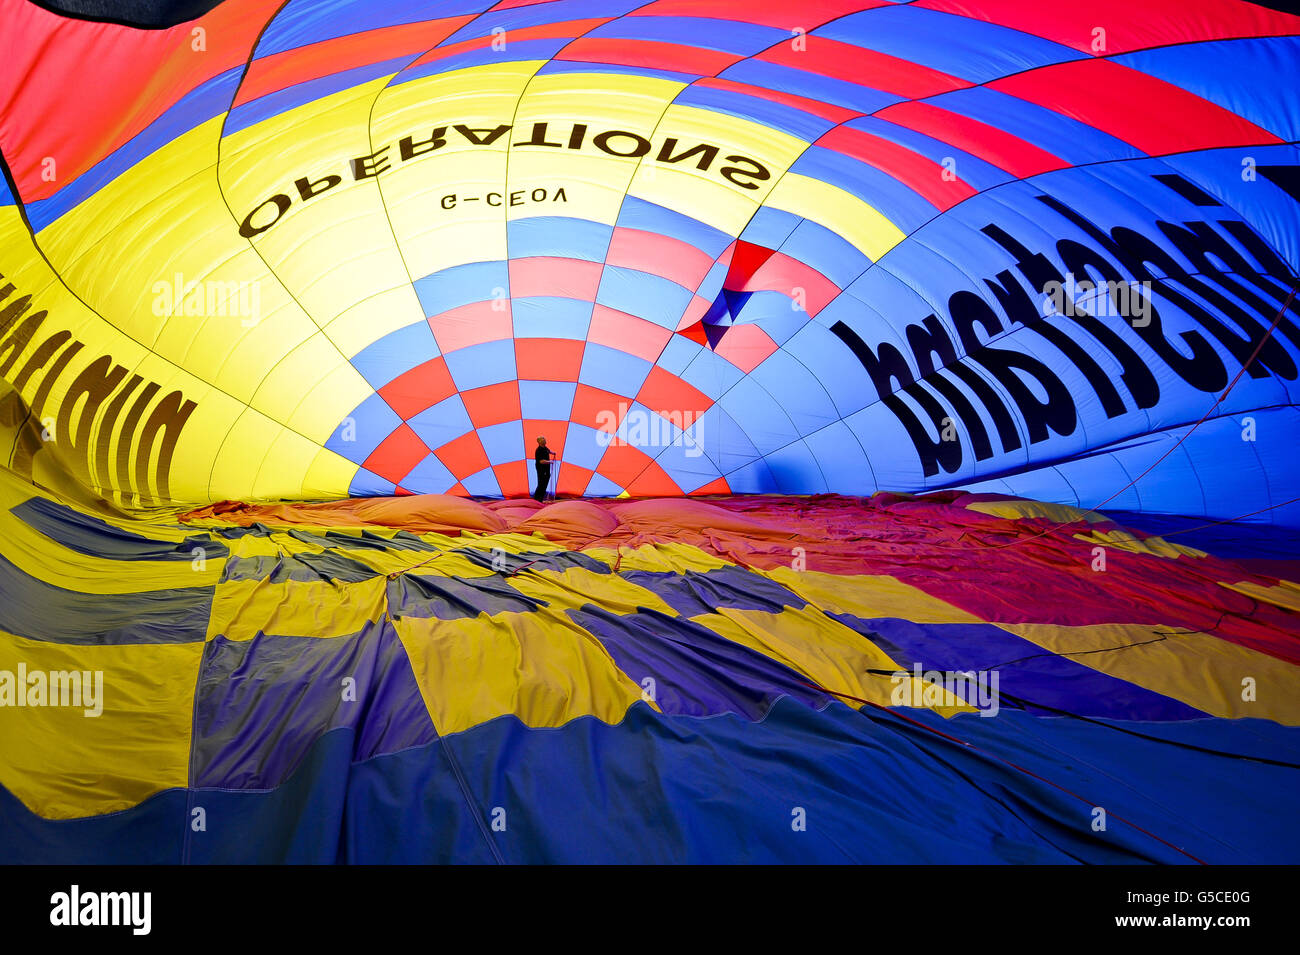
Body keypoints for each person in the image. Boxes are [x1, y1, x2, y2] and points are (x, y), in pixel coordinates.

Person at [532, 436, 557, 502]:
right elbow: (541, 461)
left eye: (544, 439)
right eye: (543, 440)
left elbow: (548, 451)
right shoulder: (538, 450)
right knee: (541, 483)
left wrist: (553, 453)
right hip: (541, 469)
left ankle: (541, 498)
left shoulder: (545, 448)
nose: (545, 440)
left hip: (546, 468)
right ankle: (537, 499)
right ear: (540, 442)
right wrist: (550, 462)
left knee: (545, 483)